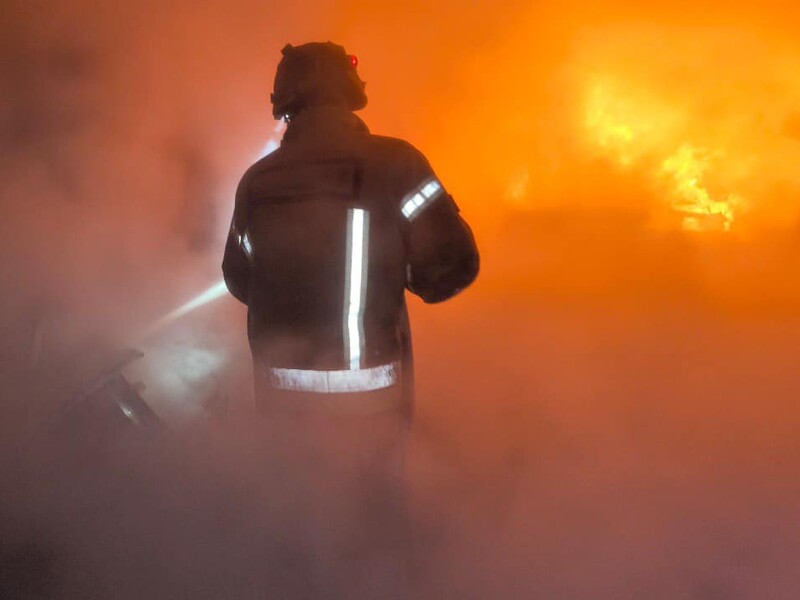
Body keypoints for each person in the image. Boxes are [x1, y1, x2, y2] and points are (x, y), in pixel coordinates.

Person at [222, 40, 478, 427]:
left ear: (285, 103)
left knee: (286, 491)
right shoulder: (396, 163)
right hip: (371, 416)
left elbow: (239, 280)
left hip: (281, 415)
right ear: (349, 90)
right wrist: (397, 269)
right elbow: (451, 269)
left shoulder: (255, 182)